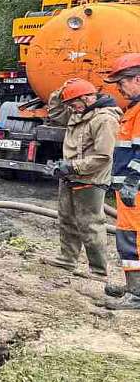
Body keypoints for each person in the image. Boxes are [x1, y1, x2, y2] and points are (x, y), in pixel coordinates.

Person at [40, 79, 120, 282]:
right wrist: (62, 89)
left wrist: (73, 166)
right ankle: (67, 259)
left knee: (90, 224)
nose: (70, 108)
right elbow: (55, 112)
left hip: (90, 178)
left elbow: (103, 157)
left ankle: (98, 271)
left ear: (86, 99)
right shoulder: (77, 113)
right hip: (71, 175)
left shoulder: (104, 120)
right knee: (67, 218)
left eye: (73, 103)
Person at [103, 53, 140, 310]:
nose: (119, 88)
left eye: (122, 82)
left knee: (132, 239)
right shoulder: (134, 110)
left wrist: (133, 179)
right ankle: (133, 288)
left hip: (134, 190)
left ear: (137, 79)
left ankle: (136, 294)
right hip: (128, 189)